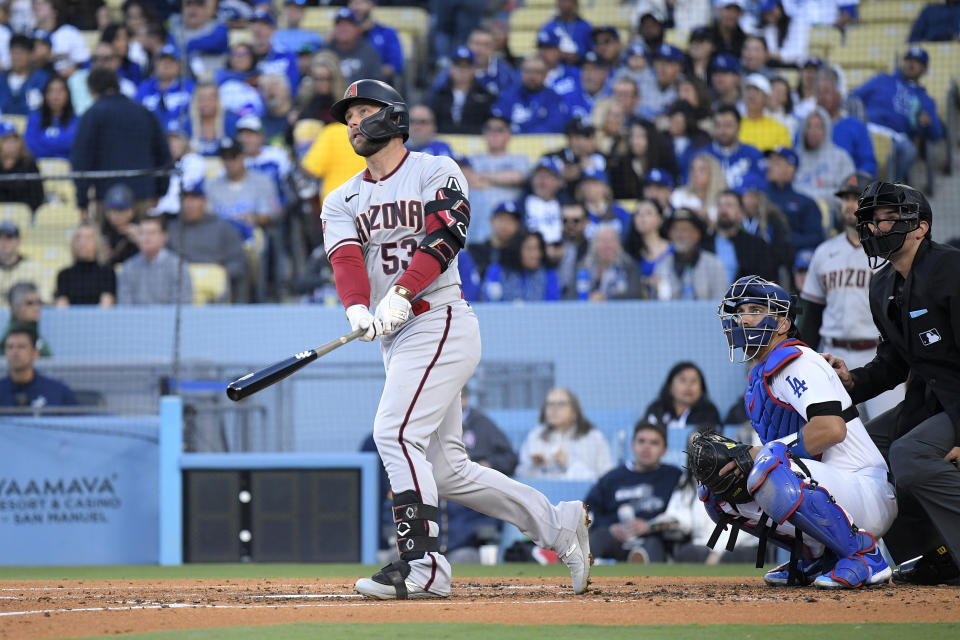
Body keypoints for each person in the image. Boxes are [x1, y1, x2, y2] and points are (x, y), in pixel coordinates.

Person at [321, 79, 592, 599]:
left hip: (439, 316)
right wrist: (357, 306)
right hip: (397, 337)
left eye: (361, 111)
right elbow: (346, 259)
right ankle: (558, 524)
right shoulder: (342, 197)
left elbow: (445, 235)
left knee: (394, 433)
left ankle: (421, 566)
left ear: (391, 116)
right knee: (447, 471)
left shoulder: (436, 169)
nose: (353, 122)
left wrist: (399, 292)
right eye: (347, 116)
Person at [703, 274, 897, 588]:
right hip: (831, 490)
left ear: (782, 323)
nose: (743, 318)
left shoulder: (798, 360)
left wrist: (758, 453)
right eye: (740, 311)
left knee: (769, 465)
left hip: (865, 489)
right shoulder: (760, 373)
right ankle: (817, 556)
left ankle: (864, 555)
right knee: (717, 483)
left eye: (755, 309)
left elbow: (831, 429)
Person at [823, 181, 960, 585]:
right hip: (928, 399)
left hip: (955, 402)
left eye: (888, 219)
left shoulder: (951, 269)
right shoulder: (881, 283)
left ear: (920, 227)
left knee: (909, 454)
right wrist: (851, 380)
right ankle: (933, 555)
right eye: (871, 220)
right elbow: (894, 363)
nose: (876, 227)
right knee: (863, 449)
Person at [799, 171, 904, 422]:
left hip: (880, 355)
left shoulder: (890, 251)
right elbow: (813, 313)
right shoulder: (824, 253)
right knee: (839, 438)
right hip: (834, 354)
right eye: (845, 198)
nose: (849, 204)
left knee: (897, 430)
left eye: (856, 197)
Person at [71, 68, 171, 221]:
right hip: (142, 194)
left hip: (106, 199)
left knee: (107, 243)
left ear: (91, 89)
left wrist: (82, 200)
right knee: (143, 242)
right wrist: (160, 190)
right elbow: (163, 154)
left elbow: (81, 159)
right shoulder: (144, 112)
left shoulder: (92, 115)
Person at [440, 386, 519, 563]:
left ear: (463, 400)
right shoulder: (433, 424)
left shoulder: (482, 425)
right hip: (441, 510)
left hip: (469, 520)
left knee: (462, 557)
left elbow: (509, 459)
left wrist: (484, 465)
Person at [585, 421, 682, 562]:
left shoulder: (673, 476)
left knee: (653, 545)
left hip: (652, 538)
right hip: (616, 538)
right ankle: (573, 575)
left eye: (654, 443)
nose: (646, 447)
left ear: (664, 450)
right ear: (632, 445)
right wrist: (611, 527)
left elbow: (679, 515)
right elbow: (589, 511)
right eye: (641, 441)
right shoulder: (611, 478)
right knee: (598, 536)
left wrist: (649, 525)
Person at [851, 48, 944, 183]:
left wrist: (928, 123)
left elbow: (936, 134)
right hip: (868, 128)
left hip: (897, 138)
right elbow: (854, 98)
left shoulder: (925, 99)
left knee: (908, 150)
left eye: (917, 62)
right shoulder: (882, 79)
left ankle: (888, 191)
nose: (911, 64)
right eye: (908, 60)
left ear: (924, 69)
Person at [167, 181, 248, 303]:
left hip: (213, 282)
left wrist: (220, 273)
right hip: (179, 283)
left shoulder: (223, 227)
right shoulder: (171, 229)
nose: (188, 204)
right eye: (185, 199)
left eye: (194, 199)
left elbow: (239, 262)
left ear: (204, 202)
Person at [517, 387, 613, 480]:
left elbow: (607, 479)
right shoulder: (535, 436)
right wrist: (534, 465)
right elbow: (520, 475)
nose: (554, 409)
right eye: (550, 404)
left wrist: (568, 462)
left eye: (561, 404)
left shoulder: (593, 438)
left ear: (574, 411)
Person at [465, 115, 529, 243]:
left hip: (508, 216)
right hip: (480, 217)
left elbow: (517, 177)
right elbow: (467, 180)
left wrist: (483, 177)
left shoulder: (519, 159)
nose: (493, 133)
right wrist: (501, 179)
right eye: (489, 129)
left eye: (499, 129)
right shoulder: (473, 159)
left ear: (509, 134)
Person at [653, 208, 727, 301]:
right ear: (670, 235)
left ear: (697, 234)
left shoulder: (714, 265)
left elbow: (720, 305)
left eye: (685, 230)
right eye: (675, 230)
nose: (679, 235)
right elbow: (658, 307)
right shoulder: (662, 267)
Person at [116, 216, 192, 305]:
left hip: (168, 318)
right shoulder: (128, 266)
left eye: (152, 233)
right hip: (136, 318)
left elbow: (181, 304)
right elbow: (125, 305)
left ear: (164, 237)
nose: (146, 238)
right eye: (142, 233)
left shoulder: (178, 266)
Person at [815, 68, 877, 177]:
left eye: (826, 91)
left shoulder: (856, 127)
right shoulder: (806, 126)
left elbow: (868, 164)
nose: (821, 97)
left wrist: (853, 184)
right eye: (818, 92)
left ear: (838, 95)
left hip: (847, 187)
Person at [763, 146, 824, 253]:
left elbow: (816, 238)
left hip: (792, 258)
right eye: (769, 161)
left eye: (776, 163)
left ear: (790, 169)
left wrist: (786, 240)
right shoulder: (759, 197)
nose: (769, 166)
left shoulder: (806, 203)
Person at [491, 55, 571, 135]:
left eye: (537, 72)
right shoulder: (509, 94)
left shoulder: (553, 98)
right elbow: (498, 121)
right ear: (521, 73)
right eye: (528, 71)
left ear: (546, 75)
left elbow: (555, 127)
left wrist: (522, 133)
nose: (532, 76)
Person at [793, 108, 855, 208]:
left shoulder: (841, 157)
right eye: (809, 126)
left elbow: (850, 193)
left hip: (831, 212)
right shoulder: (794, 158)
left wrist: (818, 198)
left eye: (818, 127)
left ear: (826, 130)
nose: (813, 131)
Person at [713, 190, 779, 284]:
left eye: (729, 205)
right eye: (720, 205)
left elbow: (765, 284)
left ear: (741, 214)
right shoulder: (704, 243)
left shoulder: (757, 247)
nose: (723, 210)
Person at [0, 327, 75, 408]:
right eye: (10, 347)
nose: (14, 352)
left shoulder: (58, 392)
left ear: (35, 353)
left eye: (21, 347)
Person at [428, 46, 494, 136]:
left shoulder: (486, 96)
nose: (462, 70)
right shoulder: (437, 95)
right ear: (450, 69)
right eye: (458, 65)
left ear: (474, 69)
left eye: (467, 66)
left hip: (477, 146)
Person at [569, 224, 645, 301]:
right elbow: (569, 296)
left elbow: (635, 294)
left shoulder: (629, 266)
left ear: (618, 245)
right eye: (602, 241)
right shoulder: (583, 267)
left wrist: (607, 298)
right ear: (594, 245)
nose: (607, 246)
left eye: (611, 241)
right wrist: (587, 298)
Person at [481, 230, 560, 303]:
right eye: (529, 249)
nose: (536, 254)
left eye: (538, 249)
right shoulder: (497, 271)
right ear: (517, 250)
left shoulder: (549, 274)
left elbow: (551, 307)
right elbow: (491, 303)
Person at [642, 361, 721, 432]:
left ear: (701, 389)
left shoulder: (709, 413)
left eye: (693, 381)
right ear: (670, 386)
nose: (688, 385)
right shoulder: (656, 409)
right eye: (682, 380)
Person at [705, 107, 766, 193]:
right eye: (718, 125)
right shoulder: (703, 156)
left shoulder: (753, 154)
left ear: (739, 127)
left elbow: (762, 186)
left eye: (728, 125)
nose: (722, 131)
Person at [54, 223, 116, 307]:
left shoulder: (107, 273)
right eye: (78, 238)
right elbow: (61, 308)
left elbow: (106, 306)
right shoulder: (64, 275)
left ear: (97, 243)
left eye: (88, 238)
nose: (82, 243)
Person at [134, 43, 193, 130]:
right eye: (162, 61)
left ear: (179, 65)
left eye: (171, 61)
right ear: (155, 65)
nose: (166, 64)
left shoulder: (189, 87)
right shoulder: (144, 87)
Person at [623, 198, 672, 299]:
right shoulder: (627, 251)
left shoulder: (673, 250)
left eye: (648, 213)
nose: (642, 218)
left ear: (660, 219)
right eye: (638, 214)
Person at [348, 0, 404, 85]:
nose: (357, 7)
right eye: (353, 3)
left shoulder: (387, 33)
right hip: (345, 88)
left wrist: (366, 74)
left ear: (371, 5)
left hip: (378, 86)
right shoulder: (341, 35)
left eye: (361, 3)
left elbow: (395, 66)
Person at [24, 75, 77, 160]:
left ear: (68, 95)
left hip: (69, 168)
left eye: (60, 91)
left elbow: (75, 145)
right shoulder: (34, 119)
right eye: (51, 91)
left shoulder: (77, 121)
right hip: (38, 167)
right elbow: (31, 145)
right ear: (45, 95)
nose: (55, 95)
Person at [467, 200, 522, 281]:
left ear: (518, 226)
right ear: (491, 220)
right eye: (502, 219)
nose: (505, 225)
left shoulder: (519, 255)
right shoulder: (475, 250)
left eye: (511, 221)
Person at [0, 221, 52, 306]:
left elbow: (45, 298)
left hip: (24, 318)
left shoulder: (33, 266)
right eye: (0, 238)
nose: (4, 242)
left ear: (18, 241)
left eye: (9, 237)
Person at [327, 8, 383, 85]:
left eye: (348, 24)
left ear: (357, 29)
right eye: (339, 24)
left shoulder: (368, 51)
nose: (343, 28)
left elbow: (376, 82)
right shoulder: (327, 51)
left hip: (362, 95)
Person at [738, 74, 790, 153]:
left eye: (756, 90)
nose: (751, 95)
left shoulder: (779, 130)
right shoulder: (734, 125)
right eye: (748, 90)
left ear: (766, 97)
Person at [186, 82, 240, 157]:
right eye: (202, 99)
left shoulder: (230, 121)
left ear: (218, 100)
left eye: (210, 99)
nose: (206, 103)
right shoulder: (187, 124)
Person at [0, 121, 44, 211]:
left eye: (14, 140)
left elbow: (37, 196)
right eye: (6, 141)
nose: (11, 145)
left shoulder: (29, 165)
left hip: (24, 215)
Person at [0, 34, 48, 115]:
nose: (17, 57)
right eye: (14, 52)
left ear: (31, 55)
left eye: (21, 53)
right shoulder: (1, 78)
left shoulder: (42, 79)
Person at [3, 282, 52, 356]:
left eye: (39, 303)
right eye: (29, 303)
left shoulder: (33, 331)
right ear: (14, 308)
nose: (37, 308)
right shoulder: (12, 337)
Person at [100, 183, 139, 265]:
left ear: (131, 212)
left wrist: (140, 241)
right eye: (113, 210)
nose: (117, 215)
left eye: (121, 210)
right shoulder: (103, 233)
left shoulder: (140, 231)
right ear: (107, 213)